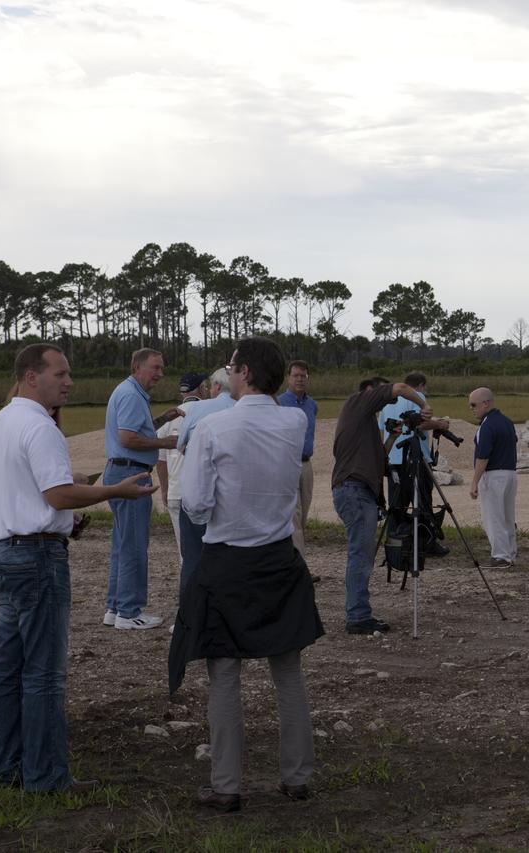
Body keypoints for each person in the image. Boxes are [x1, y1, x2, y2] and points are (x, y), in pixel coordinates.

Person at [0, 343, 156, 792]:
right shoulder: (40, 427)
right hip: (36, 559)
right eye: (60, 373)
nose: (69, 381)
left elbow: (27, 489)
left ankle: (1, 770)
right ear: (31, 376)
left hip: (2, 555)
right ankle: (47, 777)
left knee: (7, 670)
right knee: (42, 674)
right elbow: (57, 496)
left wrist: (69, 496)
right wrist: (115, 491)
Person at [168, 336, 324, 813]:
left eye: (233, 366)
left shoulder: (215, 428)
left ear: (246, 373)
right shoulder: (294, 421)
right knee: (288, 671)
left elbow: (194, 505)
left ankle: (227, 785)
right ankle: (297, 777)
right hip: (278, 558)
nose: (229, 372)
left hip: (229, 560)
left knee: (225, 674)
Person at [333, 375, 428, 634]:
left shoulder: (364, 423)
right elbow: (400, 387)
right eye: (384, 395)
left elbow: (379, 460)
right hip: (355, 490)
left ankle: (358, 612)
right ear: (369, 391)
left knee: (361, 555)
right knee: (360, 556)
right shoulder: (358, 402)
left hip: (356, 490)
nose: (391, 400)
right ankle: (357, 616)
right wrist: (423, 404)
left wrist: (392, 438)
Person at [102, 348, 181, 630]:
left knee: (122, 545)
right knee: (134, 546)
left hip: (120, 471)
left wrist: (162, 419)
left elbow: (135, 431)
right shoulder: (131, 395)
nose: (160, 374)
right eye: (155, 368)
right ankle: (129, 611)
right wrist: (167, 443)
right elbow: (129, 438)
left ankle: (114, 608)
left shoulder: (127, 392)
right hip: (132, 473)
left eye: (162, 368)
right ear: (137, 366)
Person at [172, 367, 234, 593]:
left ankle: (189, 617)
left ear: (217, 387)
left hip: (197, 493)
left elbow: (181, 446)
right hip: (229, 497)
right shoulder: (240, 410)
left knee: (192, 558)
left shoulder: (198, 408)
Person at [380, 371, 451, 538]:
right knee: (423, 502)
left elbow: (381, 430)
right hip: (416, 459)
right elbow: (422, 424)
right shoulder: (417, 396)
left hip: (394, 460)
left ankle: (395, 540)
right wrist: (440, 424)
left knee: (397, 505)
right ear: (421, 386)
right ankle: (427, 540)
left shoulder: (387, 402)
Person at [157, 372, 207, 584]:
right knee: (206, 549)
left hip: (176, 490)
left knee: (184, 552)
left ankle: (189, 594)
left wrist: (165, 489)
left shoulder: (168, 417)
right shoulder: (205, 413)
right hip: (200, 491)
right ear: (201, 389)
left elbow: (160, 459)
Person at [468, 386, 518, 568]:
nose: (471, 409)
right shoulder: (507, 422)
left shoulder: (487, 425)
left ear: (486, 403)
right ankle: (510, 553)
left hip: (494, 475)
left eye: (473, 405)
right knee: (507, 516)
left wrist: (474, 482)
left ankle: (500, 556)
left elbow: (483, 456)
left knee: (493, 517)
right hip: (510, 473)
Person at [278, 360, 319, 557]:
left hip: (306, 464)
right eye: (296, 375)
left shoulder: (312, 405)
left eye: (303, 376)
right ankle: (299, 567)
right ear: (288, 378)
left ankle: (290, 559)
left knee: (302, 517)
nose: (300, 379)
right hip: (287, 463)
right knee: (293, 517)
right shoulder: (279, 403)